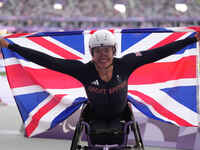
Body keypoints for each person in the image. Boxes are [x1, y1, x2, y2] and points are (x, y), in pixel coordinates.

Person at [0, 30, 200, 121]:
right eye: (98, 50)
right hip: (93, 116)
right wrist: (11, 46)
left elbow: (158, 53)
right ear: (91, 53)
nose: (103, 55)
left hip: (122, 113)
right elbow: (46, 60)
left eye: (107, 50)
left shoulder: (127, 63)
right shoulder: (82, 70)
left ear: (114, 50)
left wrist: (190, 40)